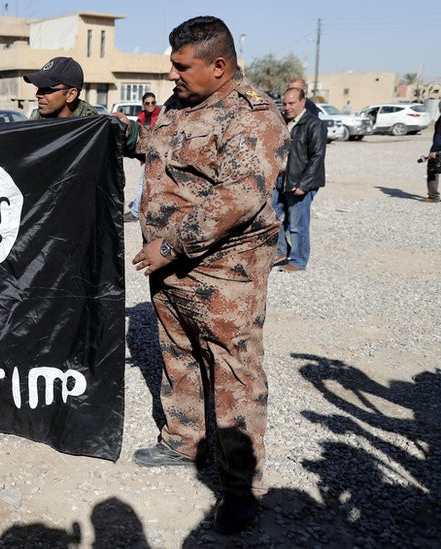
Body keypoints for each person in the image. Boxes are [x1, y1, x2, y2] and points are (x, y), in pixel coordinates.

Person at [123, 16, 289, 535]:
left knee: (234, 372)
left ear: (219, 66)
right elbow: (156, 150)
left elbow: (239, 197)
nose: (171, 75)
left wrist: (168, 245)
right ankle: (183, 440)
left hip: (223, 275)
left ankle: (242, 488)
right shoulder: (180, 105)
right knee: (178, 356)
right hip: (172, 271)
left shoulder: (252, 115)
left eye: (181, 66)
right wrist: (111, 131)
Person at [274, 87, 326, 271]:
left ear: (303, 102)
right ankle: (280, 250)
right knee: (270, 217)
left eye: (292, 103)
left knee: (297, 224)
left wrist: (304, 184)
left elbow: (317, 157)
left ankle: (298, 261)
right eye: (285, 103)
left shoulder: (313, 124)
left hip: (298, 181)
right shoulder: (282, 122)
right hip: (279, 180)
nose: (287, 107)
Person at [125, 92, 162, 221]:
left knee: (143, 183)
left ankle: (135, 212)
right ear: (143, 104)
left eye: (153, 102)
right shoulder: (141, 117)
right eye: (148, 103)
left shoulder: (161, 115)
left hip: (158, 154)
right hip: (146, 155)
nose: (151, 105)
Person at [24, 56, 97, 119]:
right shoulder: (38, 117)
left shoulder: (91, 125)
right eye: (39, 88)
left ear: (71, 95)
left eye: (47, 89)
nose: (38, 94)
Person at [423, 116, 441, 203]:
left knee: (433, 171)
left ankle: (433, 196)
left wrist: (434, 150)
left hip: (438, 150)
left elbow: (439, 135)